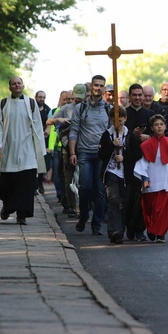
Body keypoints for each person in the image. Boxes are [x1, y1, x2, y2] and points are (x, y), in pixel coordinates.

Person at [0, 76, 46, 225]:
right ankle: (7, 206)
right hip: (7, 149)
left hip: (27, 150)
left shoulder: (31, 104)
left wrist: (39, 148)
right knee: (6, 183)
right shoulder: (3, 104)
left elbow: (38, 127)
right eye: (13, 84)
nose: (17, 85)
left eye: (19, 83)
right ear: (10, 88)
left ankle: (22, 215)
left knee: (27, 183)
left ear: (23, 86)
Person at [68, 75, 110, 236]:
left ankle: (96, 224)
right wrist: (73, 152)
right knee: (85, 187)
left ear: (104, 88)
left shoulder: (108, 109)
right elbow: (74, 130)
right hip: (84, 152)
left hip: (101, 155)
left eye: (101, 85)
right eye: (96, 85)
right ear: (90, 87)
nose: (98, 88)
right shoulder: (81, 108)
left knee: (100, 190)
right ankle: (84, 215)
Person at [98, 106, 142, 244]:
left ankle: (121, 230)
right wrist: (112, 145)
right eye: (116, 121)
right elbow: (101, 154)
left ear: (125, 119)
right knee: (114, 199)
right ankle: (113, 231)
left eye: (122, 121)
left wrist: (124, 158)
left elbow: (137, 154)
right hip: (111, 172)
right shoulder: (107, 135)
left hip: (126, 174)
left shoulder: (130, 136)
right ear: (111, 120)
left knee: (124, 202)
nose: (119, 124)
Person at [134, 114, 168, 243]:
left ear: (165, 126)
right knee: (150, 208)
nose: (159, 127)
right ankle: (152, 228)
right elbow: (142, 163)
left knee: (164, 210)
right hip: (151, 181)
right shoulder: (146, 145)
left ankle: (160, 233)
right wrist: (145, 178)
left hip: (166, 181)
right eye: (156, 125)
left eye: (161, 124)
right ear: (152, 128)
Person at [47, 85, 86, 218]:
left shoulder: (88, 108)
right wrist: (60, 120)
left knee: (84, 179)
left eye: (82, 97)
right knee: (68, 178)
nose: (79, 100)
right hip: (67, 149)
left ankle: (83, 206)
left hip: (85, 148)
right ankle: (71, 206)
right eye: (77, 97)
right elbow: (49, 121)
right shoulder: (65, 109)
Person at [123, 83, 155, 241]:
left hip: (146, 162)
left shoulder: (150, 114)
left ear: (143, 96)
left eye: (139, 95)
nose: (137, 98)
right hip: (128, 162)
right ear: (129, 97)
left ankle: (140, 230)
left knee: (143, 196)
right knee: (129, 198)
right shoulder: (124, 114)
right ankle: (129, 227)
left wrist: (147, 137)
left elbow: (159, 133)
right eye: (134, 95)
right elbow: (119, 135)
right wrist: (133, 135)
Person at [35, 90, 51, 194]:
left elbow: (50, 123)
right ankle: (34, 186)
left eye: (43, 97)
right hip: (34, 139)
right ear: (36, 97)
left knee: (46, 164)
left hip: (45, 140)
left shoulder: (47, 109)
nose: (42, 99)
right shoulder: (32, 108)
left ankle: (40, 182)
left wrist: (46, 132)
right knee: (34, 164)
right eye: (40, 97)